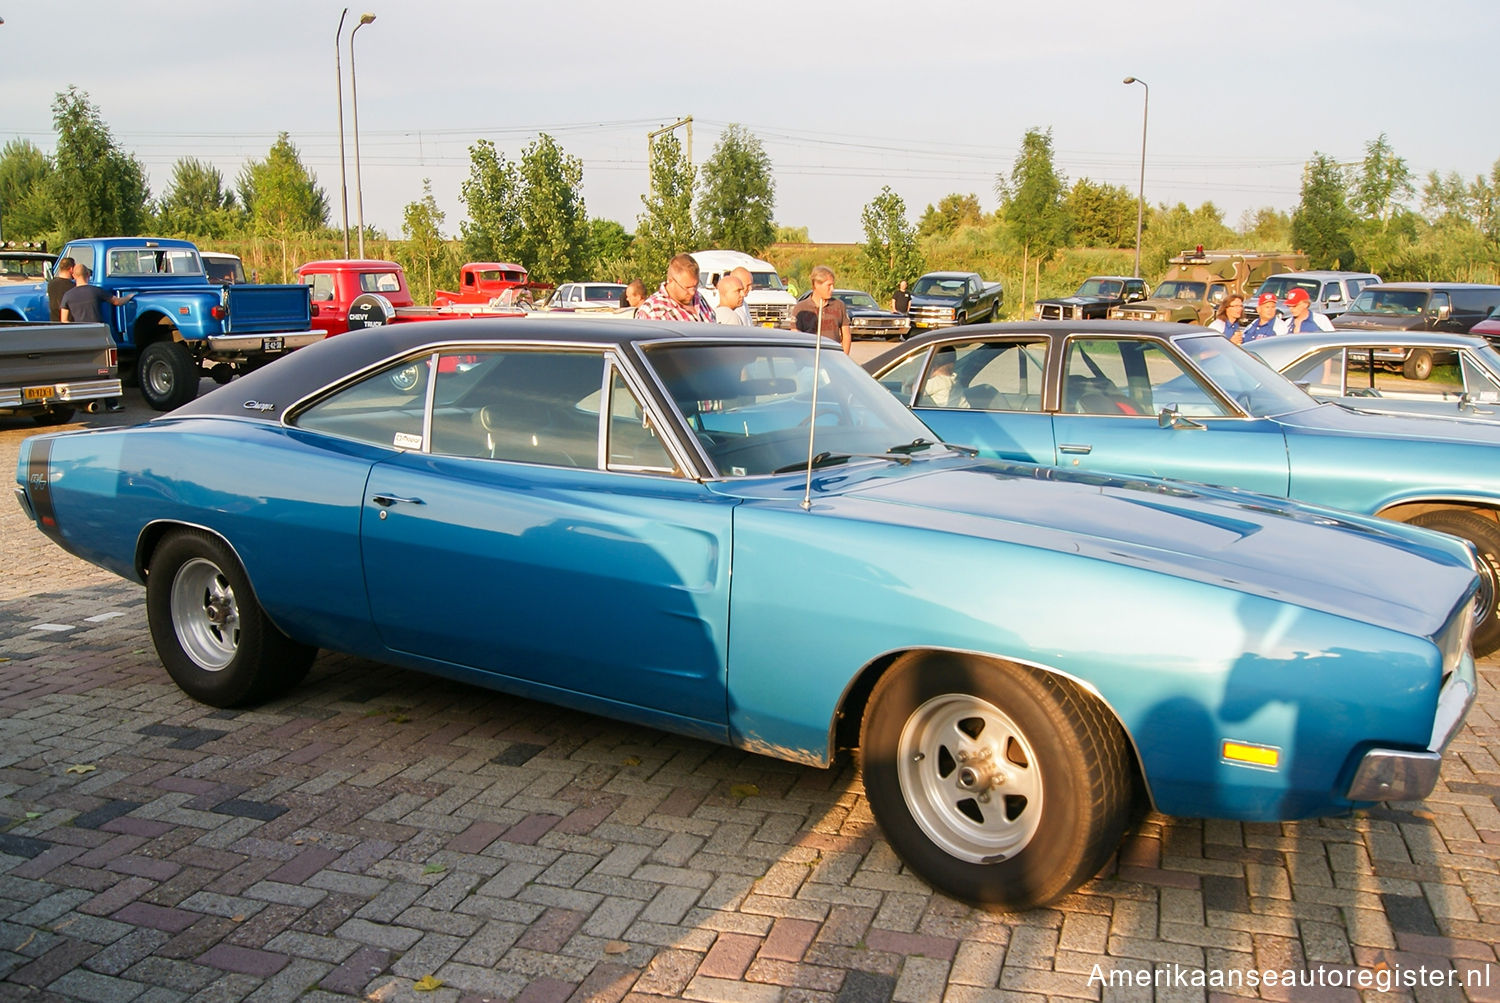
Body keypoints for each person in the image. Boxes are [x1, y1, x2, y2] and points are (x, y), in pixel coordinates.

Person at [788, 265, 852, 353]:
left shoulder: (839, 305)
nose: (832, 289)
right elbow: (795, 336)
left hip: (833, 357)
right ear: (816, 285)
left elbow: (846, 336)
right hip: (809, 359)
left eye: (833, 285)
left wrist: (844, 359)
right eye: (829, 285)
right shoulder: (800, 308)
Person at [635, 254, 716, 322]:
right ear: (670, 281)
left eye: (695, 286)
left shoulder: (699, 298)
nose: (693, 292)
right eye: (687, 287)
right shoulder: (653, 311)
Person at [59, 265, 133, 324]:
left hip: (79, 331)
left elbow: (64, 320)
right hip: (96, 328)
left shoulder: (67, 295)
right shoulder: (96, 291)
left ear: (74, 276)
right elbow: (118, 302)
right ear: (88, 274)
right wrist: (130, 296)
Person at [48, 257, 76, 322]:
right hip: (68, 322)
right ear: (71, 269)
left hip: (54, 321)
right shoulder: (72, 286)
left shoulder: (51, 284)